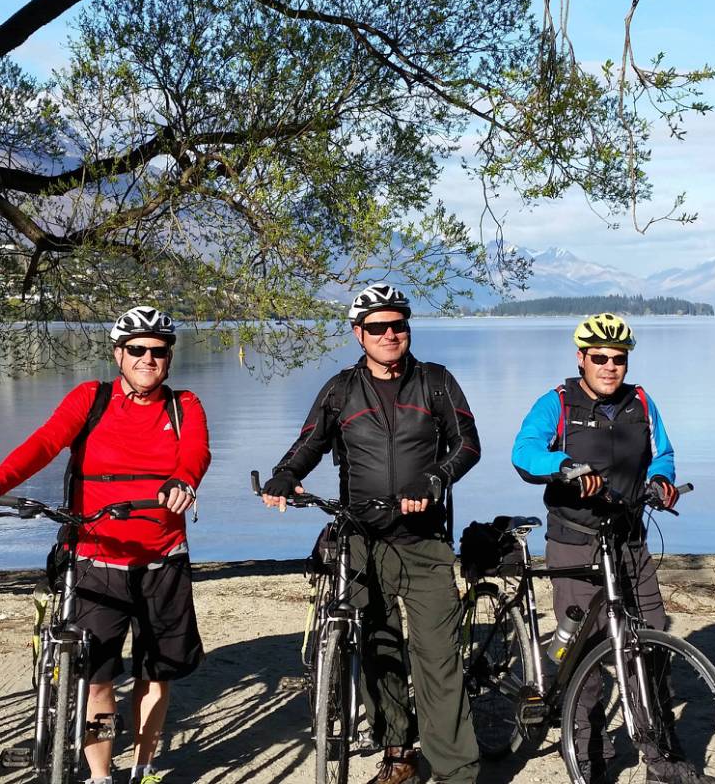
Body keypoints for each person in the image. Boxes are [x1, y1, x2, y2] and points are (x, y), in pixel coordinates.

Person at [0, 306, 209, 784]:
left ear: (169, 357)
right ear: (119, 354)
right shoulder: (91, 398)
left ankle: (144, 765)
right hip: (96, 559)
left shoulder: (185, 406)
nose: (148, 359)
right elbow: (45, 443)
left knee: (157, 675)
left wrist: (184, 479)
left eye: (158, 351)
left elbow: (196, 450)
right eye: (137, 350)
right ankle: (100, 774)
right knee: (98, 680)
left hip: (163, 561)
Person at [259, 283, 481, 784]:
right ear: (359, 334)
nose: (389, 334)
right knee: (378, 652)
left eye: (397, 325)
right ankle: (398, 754)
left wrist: (434, 479)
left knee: (439, 661)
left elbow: (467, 445)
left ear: (407, 330)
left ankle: (457, 772)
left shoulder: (436, 382)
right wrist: (284, 476)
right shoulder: (340, 389)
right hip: (361, 540)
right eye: (377, 327)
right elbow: (309, 443)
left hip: (424, 542)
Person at [510, 313, 680, 777]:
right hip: (575, 540)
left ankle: (661, 754)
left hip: (629, 539)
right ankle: (591, 753)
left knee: (653, 636)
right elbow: (524, 451)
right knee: (584, 647)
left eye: (618, 358)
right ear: (581, 357)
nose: (610, 366)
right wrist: (563, 464)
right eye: (600, 357)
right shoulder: (558, 402)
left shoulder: (641, 402)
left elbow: (661, 451)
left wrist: (662, 478)